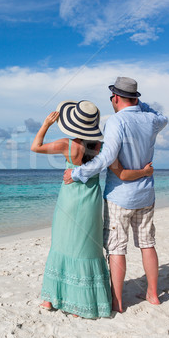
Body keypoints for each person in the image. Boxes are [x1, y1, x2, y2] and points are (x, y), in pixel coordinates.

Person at [32, 100, 153, 318]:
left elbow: (35, 147)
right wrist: (144, 173)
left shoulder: (66, 145)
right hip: (91, 203)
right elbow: (123, 174)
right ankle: (79, 305)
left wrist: (46, 125)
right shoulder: (102, 149)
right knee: (86, 248)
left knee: (61, 244)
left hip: (68, 201)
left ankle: (49, 299)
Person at [63, 77, 168, 313]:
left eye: (112, 96)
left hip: (120, 197)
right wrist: (141, 105)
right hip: (145, 194)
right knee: (147, 244)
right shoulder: (151, 119)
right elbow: (163, 116)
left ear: (116, 98)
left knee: (116, 248)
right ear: (136, 98)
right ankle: (153, 294)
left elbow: (106, 158)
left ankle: (118, 302)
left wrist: (78, 173)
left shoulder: (116, 122)